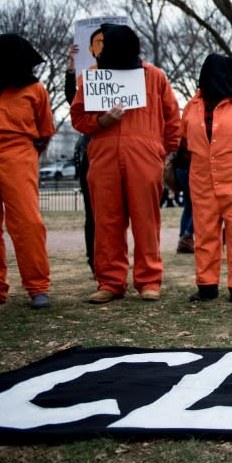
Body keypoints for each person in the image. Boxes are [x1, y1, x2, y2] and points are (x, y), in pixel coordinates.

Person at [71, 24, 181, 304]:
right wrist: (101, 121)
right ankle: (110, 281)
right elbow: (78, 117)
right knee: (106, 222)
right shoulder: (92, 77)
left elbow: (172, 117)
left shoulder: (155, 77)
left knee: (146, 221)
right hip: (104, 156)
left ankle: (149, 280)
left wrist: (165, 151)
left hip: (144, 156)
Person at [182, 53, 232, 303]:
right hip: (201, 177)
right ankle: (206, 284)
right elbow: (184, 146)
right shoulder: (191, 106)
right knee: (205, 232)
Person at [0, 34, 55, 309]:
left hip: (18, 154)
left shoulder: (35, 90)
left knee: (28, 223)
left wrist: (28, 155)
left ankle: (37, 286)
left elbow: (45, 130)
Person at [67, 28, 104, 274]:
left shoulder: (132, 75)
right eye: (98, 43)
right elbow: (73, 100)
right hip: (92, 150)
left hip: (119, 150)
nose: (102, 47)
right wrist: (71, 70)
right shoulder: (86, 77)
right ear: (90, 49)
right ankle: (96, 261)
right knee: (93, 211)